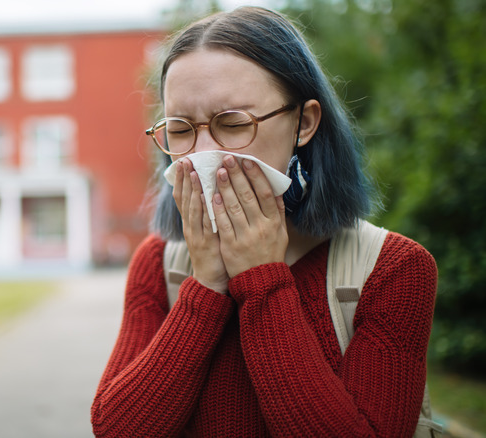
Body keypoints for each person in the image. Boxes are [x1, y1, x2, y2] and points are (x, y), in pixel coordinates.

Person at [91, 6, 436, 437]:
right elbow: (117, 430)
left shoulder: (393, 269)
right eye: (180, 129)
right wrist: (205, 288)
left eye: (232, 123)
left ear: (303, 122)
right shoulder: (160, 263)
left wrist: (262, 281)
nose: (201, 153)